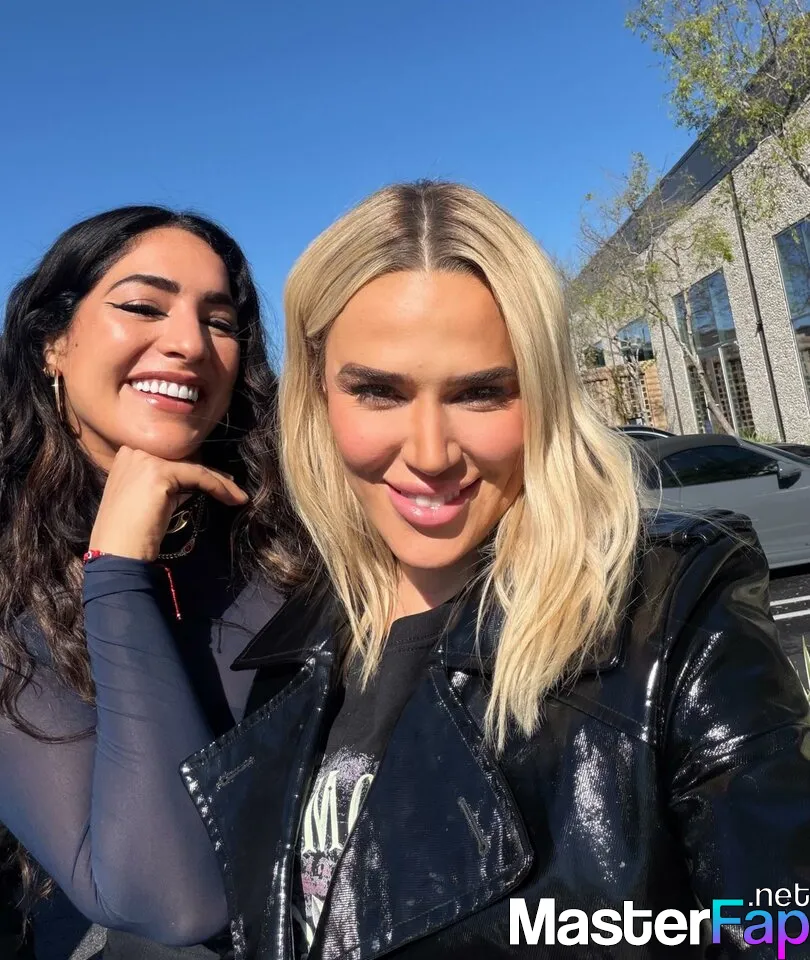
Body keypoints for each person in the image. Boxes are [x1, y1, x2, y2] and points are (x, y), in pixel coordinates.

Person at [181, 180, 810, 959]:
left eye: (481, 393)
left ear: (541, 393)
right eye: (377, 391)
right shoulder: (296, 632)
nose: (430, 453)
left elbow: (780, 926)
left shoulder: (671, 619)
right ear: (319, 395)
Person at [0, 207, 302, 960]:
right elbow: (174, 898)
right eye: (142, 306)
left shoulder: (288, 529)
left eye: (220, 322)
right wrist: (116, 572)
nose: (190, 343)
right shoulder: (11, 578)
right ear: (52, 344)